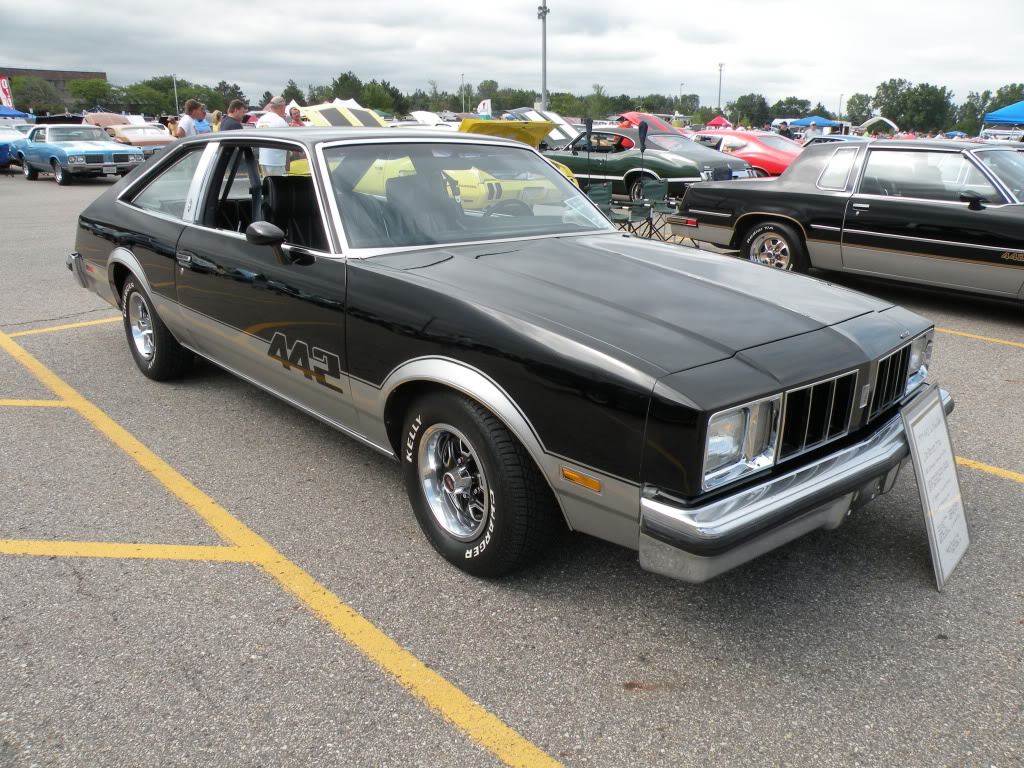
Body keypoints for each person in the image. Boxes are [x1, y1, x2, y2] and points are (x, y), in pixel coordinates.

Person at [255, 96, 289, 175]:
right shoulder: (280, 121)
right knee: (277, 185)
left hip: (263, 159)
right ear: (281, 106)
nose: (285, 108)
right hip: (276, 160)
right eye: (284, 106)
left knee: (267, 184)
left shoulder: (261, 120)